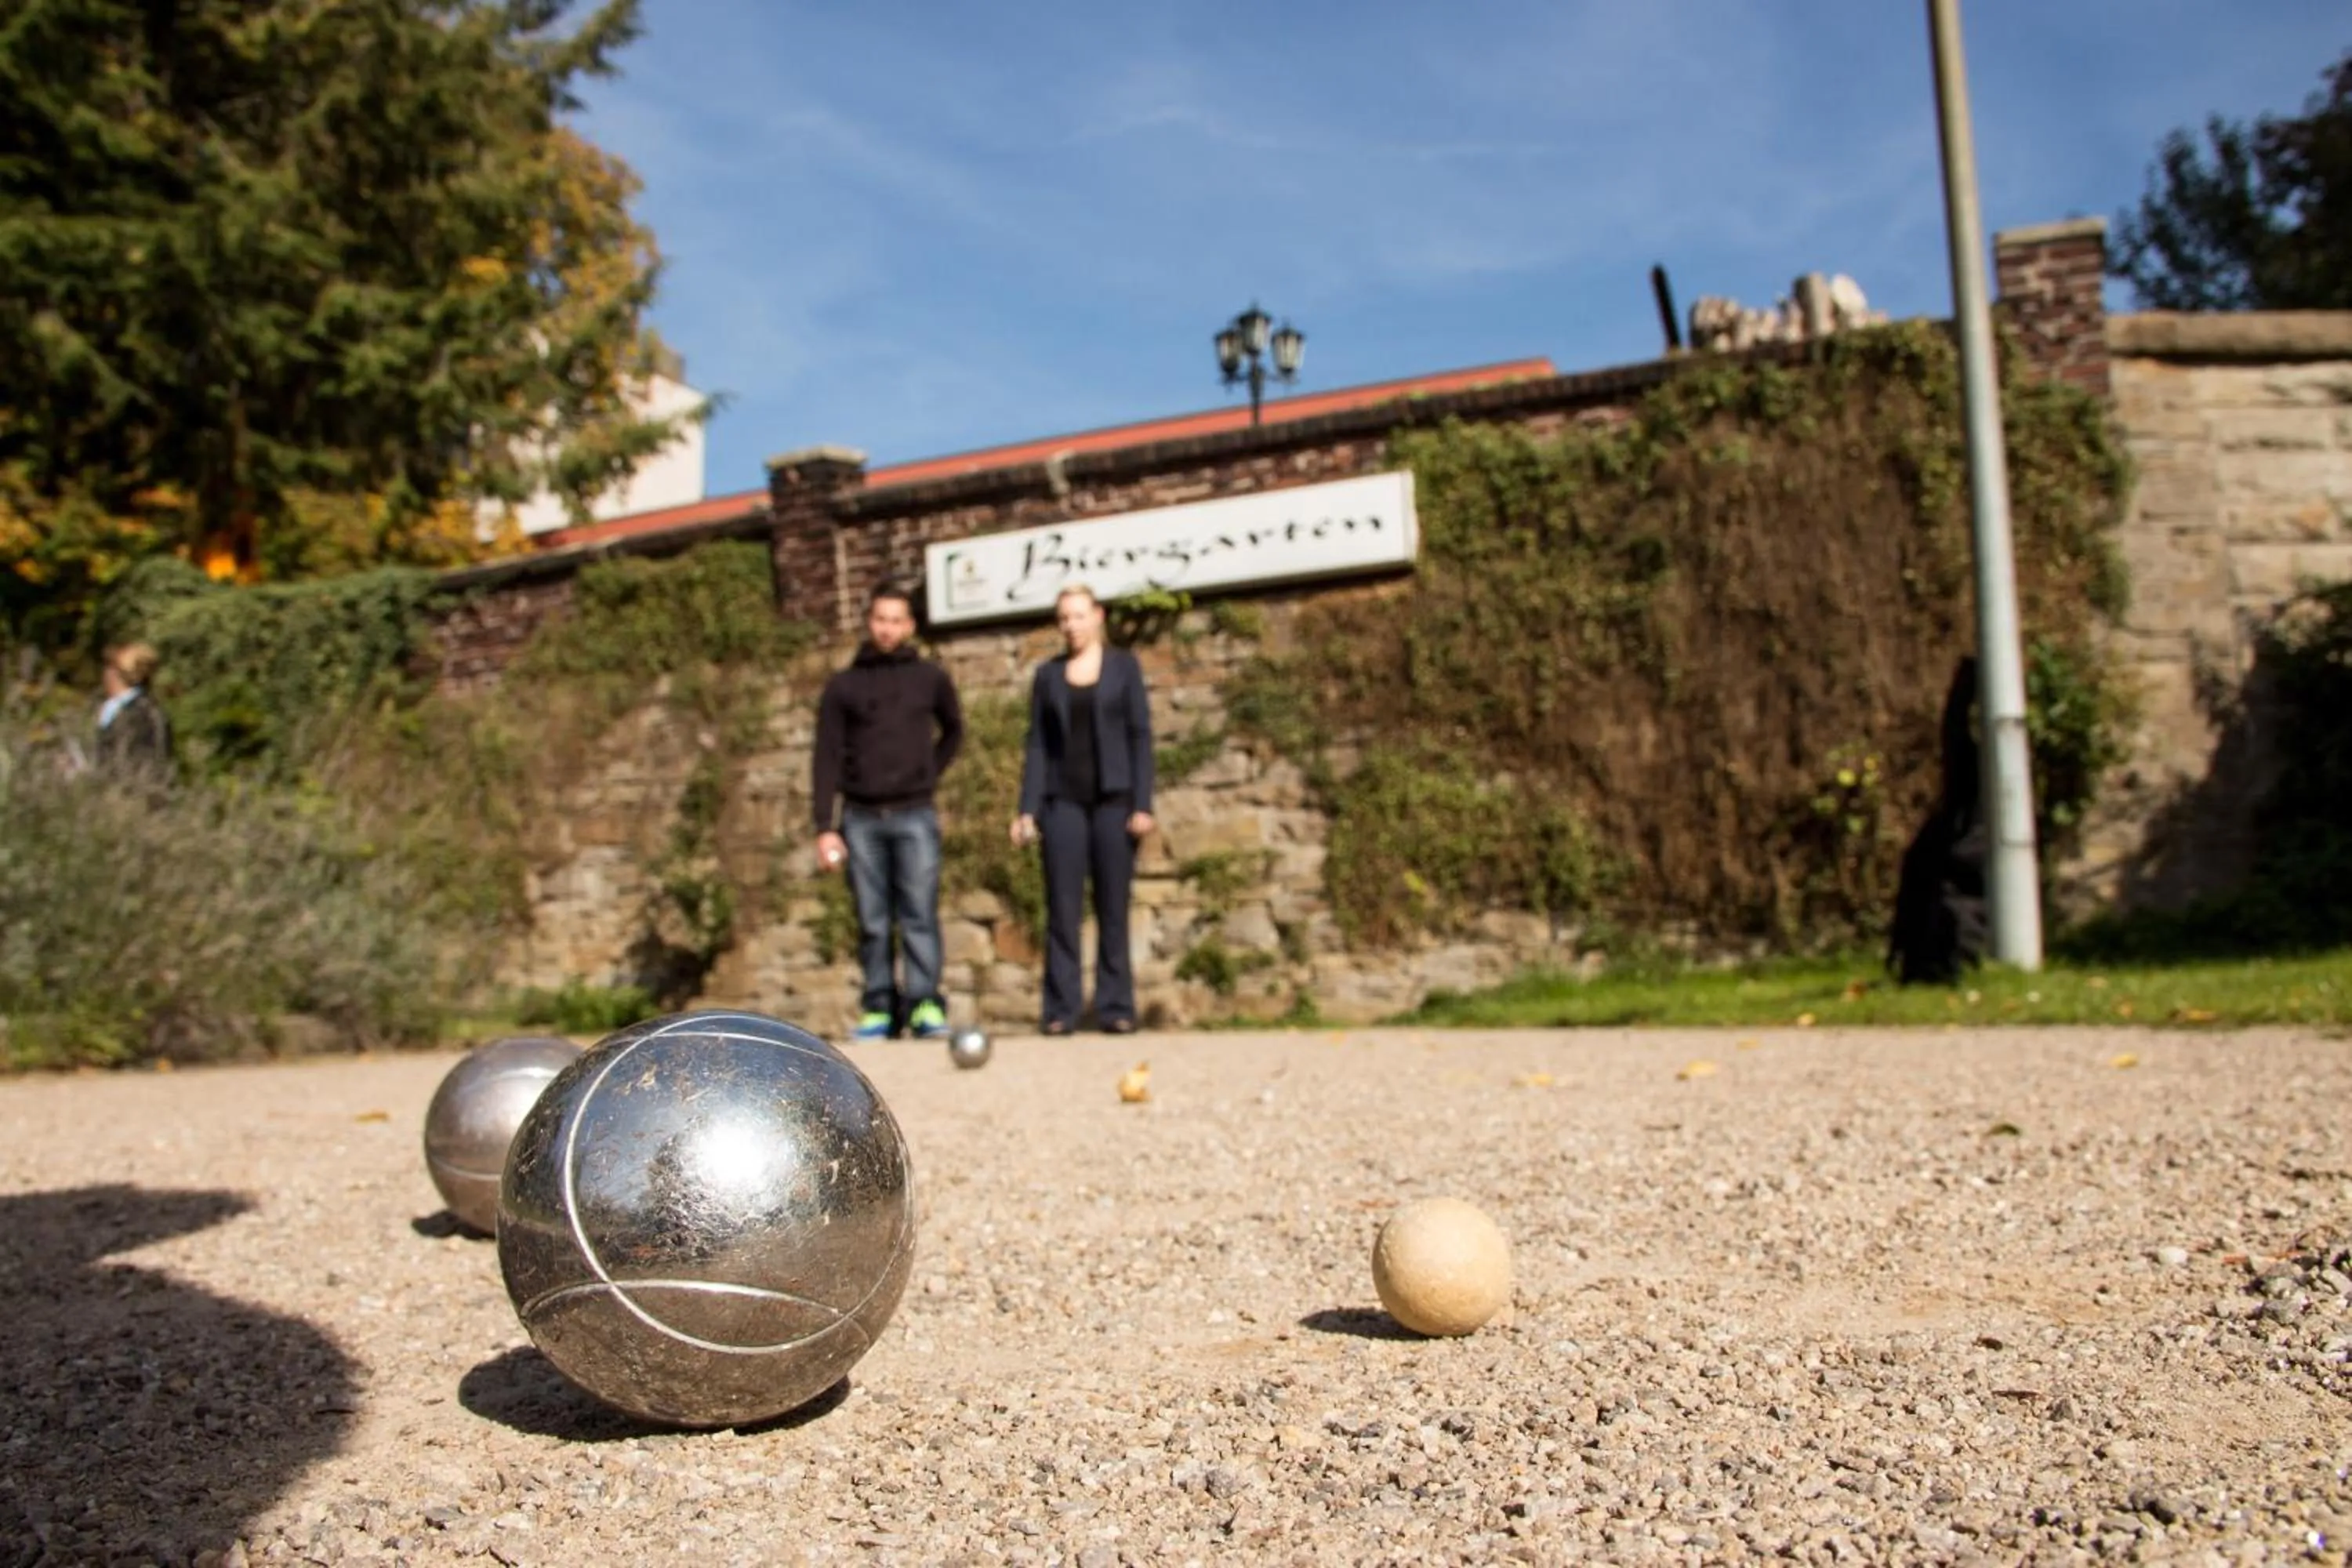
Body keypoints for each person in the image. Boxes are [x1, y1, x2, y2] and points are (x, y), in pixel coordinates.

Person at [811, 583, 966, 1041]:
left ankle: (923, 1004)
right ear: (869, 621)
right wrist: (825, 826)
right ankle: (879, 1005)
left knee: (919, 912)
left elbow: (954, 731)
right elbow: (826, 757)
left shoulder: (930, 678)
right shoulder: (844, 686)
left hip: (915, 812)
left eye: (897, 620)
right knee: (873, 919)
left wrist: (927, 773)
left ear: (910, 625)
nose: (888, 628)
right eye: (881, 619)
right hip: (860, 819)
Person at [1012, 583, 1156, 1035]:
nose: (1071, 625)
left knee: (1114, 907)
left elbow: (1140, 735)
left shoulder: (1124, 667)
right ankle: (1061, 1010)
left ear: (1098, 616)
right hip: (1062, 806)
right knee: (1063, 909)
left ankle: (1115, 1008)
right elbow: (1037, 744)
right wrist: (1027, 809)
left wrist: (1143, 802)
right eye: (1064, 618)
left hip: (1115, 804)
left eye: (1078, 615)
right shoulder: (1048, 675)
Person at [93, 642, 172, 785]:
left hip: (131, 796)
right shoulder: (149, 708)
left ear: (116, 673)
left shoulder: (138, 713)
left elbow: (124, 761)